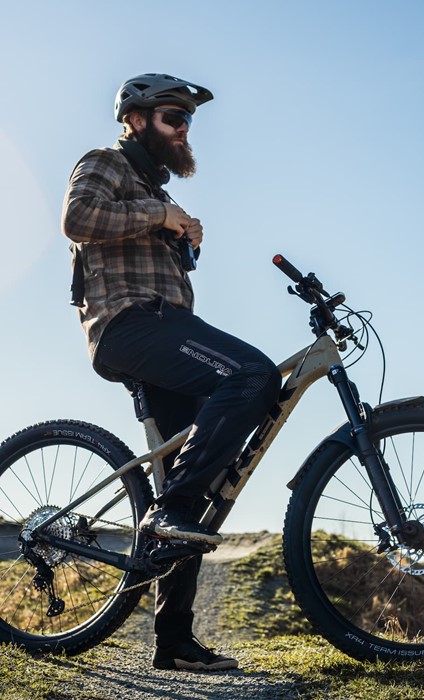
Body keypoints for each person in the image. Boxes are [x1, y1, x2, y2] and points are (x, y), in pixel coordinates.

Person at [62, 73, 282, 672]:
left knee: (192, 498)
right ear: (135, 119)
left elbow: (145, 240)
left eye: (188, 121)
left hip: (162, 332)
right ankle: (170, 511)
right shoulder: (105, 162)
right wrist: (162, 214)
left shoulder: (154, 190)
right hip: (128, 325)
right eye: (171, 117)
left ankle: (174, 642)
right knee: (252, 376)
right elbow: (79, 217)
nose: (184, 129)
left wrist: (185, 237)